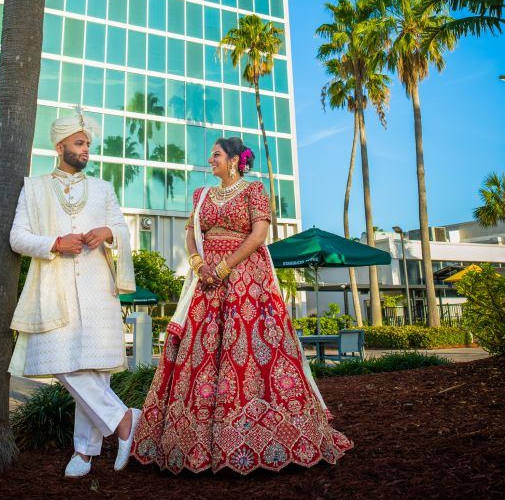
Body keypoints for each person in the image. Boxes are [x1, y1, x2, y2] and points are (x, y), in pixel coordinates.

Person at [133, 136, 353, 474]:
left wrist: (224, 267)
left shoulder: (253, 191)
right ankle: (194, 445)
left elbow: (258, 235)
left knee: (248, 349)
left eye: (217, 155)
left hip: (245, 281)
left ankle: (266, 438)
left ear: (235, 160)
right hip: (206, 283)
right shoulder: (201, 194)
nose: (211, 160)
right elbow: (191, 231)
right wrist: (197, 263)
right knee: (202, 351)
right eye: (211, 155)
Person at [9, 108, 140, 478]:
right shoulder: (33, 188)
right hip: (55, 286)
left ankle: (83, 453)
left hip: (98, 288)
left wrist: (108, 233)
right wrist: (54, 242)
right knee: (62, 363)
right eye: (80, 143)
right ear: (60, 144)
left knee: (94, 368)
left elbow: (121, 227)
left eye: (88, 144)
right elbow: (17, 237)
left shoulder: (102, 189)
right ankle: (125, 420)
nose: (86, 150)